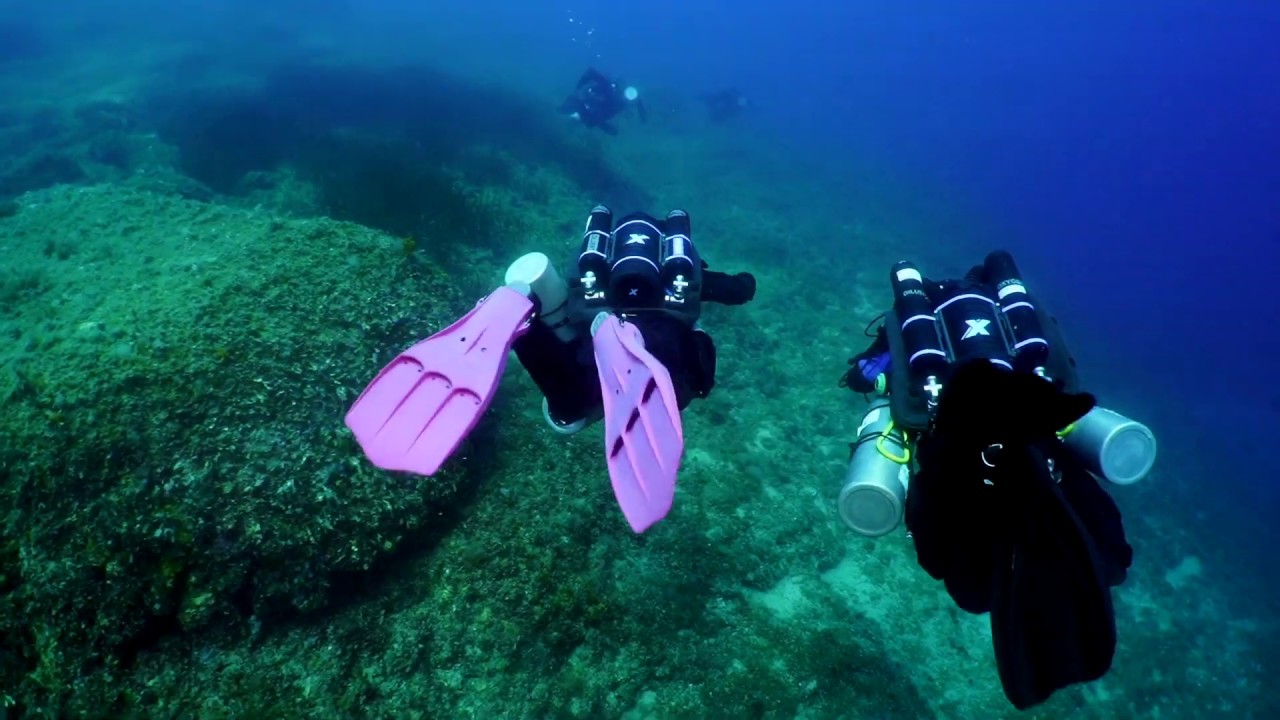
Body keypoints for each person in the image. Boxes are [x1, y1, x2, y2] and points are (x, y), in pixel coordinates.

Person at [835, 250, 1154, 710]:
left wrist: (866, 372)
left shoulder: (911, 325)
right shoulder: (1012, 318)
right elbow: (1061, 361)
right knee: (1075, 514)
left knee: (969, 581)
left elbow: (867, 377)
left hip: (957, 453)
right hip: (1029, 433)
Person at [344, 206, 755, 535]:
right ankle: (617, 341)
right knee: (684, 378)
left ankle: (521, 307)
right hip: (660, 339)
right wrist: (725, 279)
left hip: (590, 332)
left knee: (569, 403)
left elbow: (579, 288)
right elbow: (742, 288)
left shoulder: (602, 259)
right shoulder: (681, 266)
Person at [558, 68, 648, 135]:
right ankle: (561, 114)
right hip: (593, 106)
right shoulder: (607, 86)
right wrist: (578, 89)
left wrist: (643, 116)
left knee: (590, 122)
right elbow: (591, 72)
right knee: (587, 119)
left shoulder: (624, 99)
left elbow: (638, 100)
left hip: (601, 113)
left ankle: (566, 124)